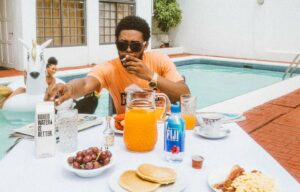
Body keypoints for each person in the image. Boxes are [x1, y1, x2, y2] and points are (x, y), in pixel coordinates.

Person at [45, 15, 190, 114]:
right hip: (127, 127)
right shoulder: (109, 69)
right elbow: (85, 84)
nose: (128, 50)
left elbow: (184, 94)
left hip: (162, 125)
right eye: (122, 44)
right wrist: (70, 88)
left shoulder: (159, 60)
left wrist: (150, 76)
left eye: (134, 46)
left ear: (145, 45)